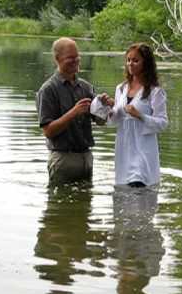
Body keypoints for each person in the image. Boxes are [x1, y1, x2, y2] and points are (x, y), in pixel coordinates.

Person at [36, 37, 111, 184]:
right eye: (70, 58)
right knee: (59, 206)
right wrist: (73, 112)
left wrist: (105, 105)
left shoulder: (86, 87)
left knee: (86, 205)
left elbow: (101, 122)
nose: (76, 60)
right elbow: (48, 131)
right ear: (57, 59)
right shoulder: (48, 90)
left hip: (86, 158)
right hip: (63, 159)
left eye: (77, 57)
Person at [107, 43, 168, 187]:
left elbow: (163, 123)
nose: (130, 64)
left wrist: (140, 115)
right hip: (124, 150)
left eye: (135, 60)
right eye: (128, 60)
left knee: (138, 187)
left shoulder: (155, 91)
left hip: (143, 150)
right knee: (124, 195)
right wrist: (109, 108)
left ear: (146, 63)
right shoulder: (121, 88)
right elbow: (115, 120)